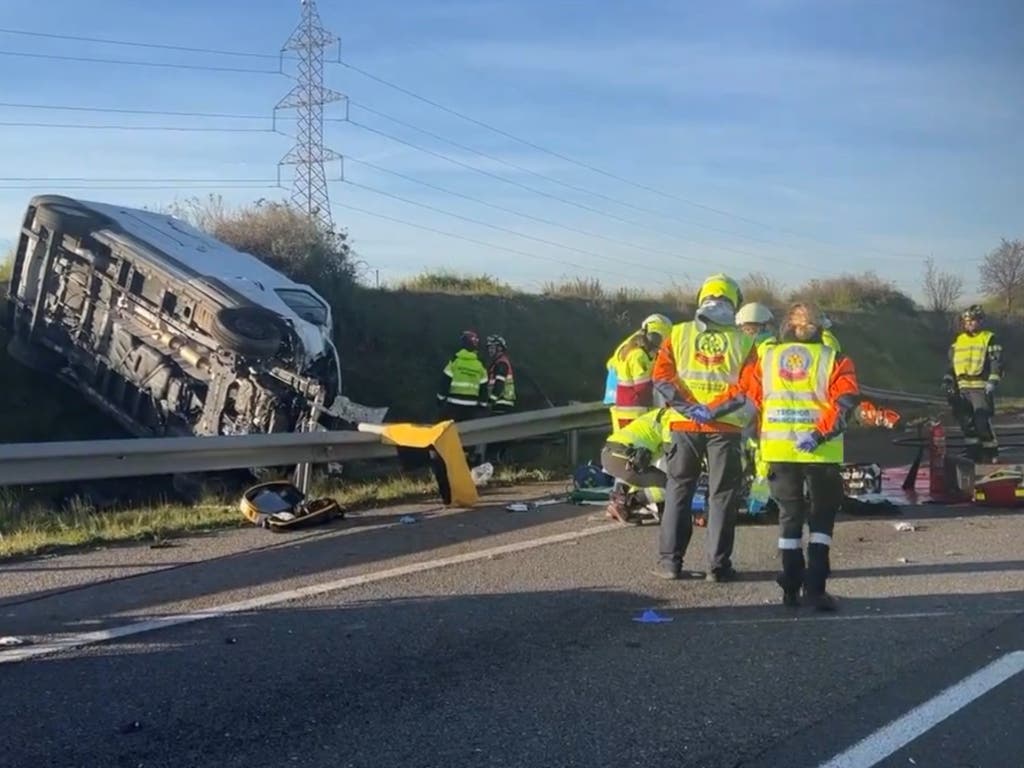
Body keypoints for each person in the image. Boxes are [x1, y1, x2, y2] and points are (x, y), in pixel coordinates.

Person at [692, 301, 861, 610]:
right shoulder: (836, 359)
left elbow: (742, 395)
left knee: (789, 520)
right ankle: (816, 589)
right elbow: (845, 403)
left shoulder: (767, 360)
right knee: (821, 521)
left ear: (785, 328)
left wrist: (710, 409)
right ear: (819, 330)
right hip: (820, 454)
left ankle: (790, 586)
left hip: (780, 453)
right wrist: (819, 433)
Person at [651, 274, 755, 581]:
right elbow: (748, 387)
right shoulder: (745, 341)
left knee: (678, 490)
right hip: (725, 427)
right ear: (735, 302)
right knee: (721, 495)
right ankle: (718, 567)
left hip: (685, 425)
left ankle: (671, 563)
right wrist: (713, 410)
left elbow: (662, 377)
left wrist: (690, 408)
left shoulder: (678, 334)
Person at [943, 304, 1003, 462]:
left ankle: (991, 452)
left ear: (980, 321)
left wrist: (993, 380)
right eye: (966, 321)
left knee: (981, 421)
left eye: (972, 321)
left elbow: (996, 362)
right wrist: (948, 380)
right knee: (966, 422)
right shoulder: (958, 341)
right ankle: (973, 452)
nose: (969, 323)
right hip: (962, 387)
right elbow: (952, 365)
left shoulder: (988, 338)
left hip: (981, 387)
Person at [600, 406, 670, 524]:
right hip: (625, 458)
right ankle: (630, 503)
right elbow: (674, 452)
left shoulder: (659, 414)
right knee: (674, 485)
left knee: (642, 474)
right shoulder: (670, 420)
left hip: (610, 454)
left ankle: (619, 501)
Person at [605, 314, 673, 430]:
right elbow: (643, 388)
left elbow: (611, 365)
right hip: (634, 408)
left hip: (619, 401)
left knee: (624, 441)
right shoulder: (639, 355)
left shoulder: (628, 345)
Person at [436, 330, 489, 423]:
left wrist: (440, 399)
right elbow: (484, 388)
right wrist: (483, 406)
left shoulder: (455, 361)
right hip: (471, 407)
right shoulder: (480, 365)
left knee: (444, 429)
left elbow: (445, 381)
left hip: (453, 405)